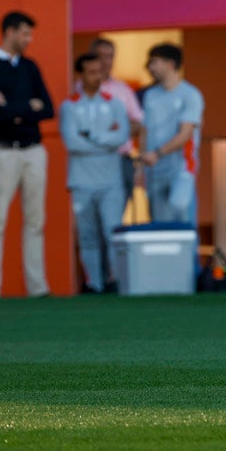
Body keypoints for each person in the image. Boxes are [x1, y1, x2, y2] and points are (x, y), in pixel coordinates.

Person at [0, 10, 55, 298]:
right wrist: (27, 108)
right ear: (10, 32)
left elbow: (48, 108)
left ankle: (38, 287)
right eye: (24, 33)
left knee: (36, 220)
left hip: (33, 151)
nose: (28, 39)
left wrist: (15, 110)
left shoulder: (30, 67)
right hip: (3, 152)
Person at [60, 53, 130, 293]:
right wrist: (105, 142)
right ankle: (94, 283)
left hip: (111, 181)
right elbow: (72, 143)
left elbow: (121, 137)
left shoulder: (115, 103)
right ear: (81, 75)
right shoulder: (69, 106)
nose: (97, 77)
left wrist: (92, 136)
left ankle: (115, 281)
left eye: (99, 72)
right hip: (81, 182)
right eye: (91, 73)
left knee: (113, 232)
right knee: (87, 236)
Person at [140, 43, 204, 225]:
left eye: (154, 62)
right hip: (155, 169)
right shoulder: (150, 96)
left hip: (181, 167)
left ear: (170, 64)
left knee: (181, 213)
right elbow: (146, 130)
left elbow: (185, 134)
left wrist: (158, 153)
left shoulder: (190, 95)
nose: (150, 67)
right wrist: (141, 166)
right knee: (160, 224)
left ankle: (190, 254)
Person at [81, 37, 143, 206]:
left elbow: (138, 123)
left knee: (117, 219)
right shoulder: (80, 89)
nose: (106, 61)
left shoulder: (123, 90)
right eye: (101, 56)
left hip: (121, 160)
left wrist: (114, 131)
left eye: (110, 56)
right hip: (92, 161)